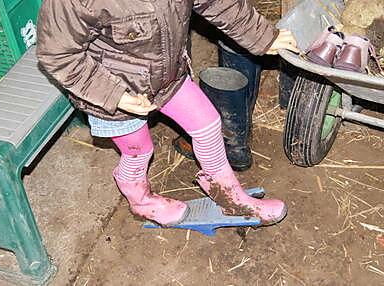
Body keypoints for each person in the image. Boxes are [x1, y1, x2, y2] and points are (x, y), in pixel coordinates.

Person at [36, 0, 299, 226]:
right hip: (114, 91)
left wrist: (263, 36)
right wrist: (115, 96)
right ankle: (140, 200)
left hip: (168, 78)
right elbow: (57, 55)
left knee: (208, 124)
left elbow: (217, 2)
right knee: (139, 151)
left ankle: (228, 194)